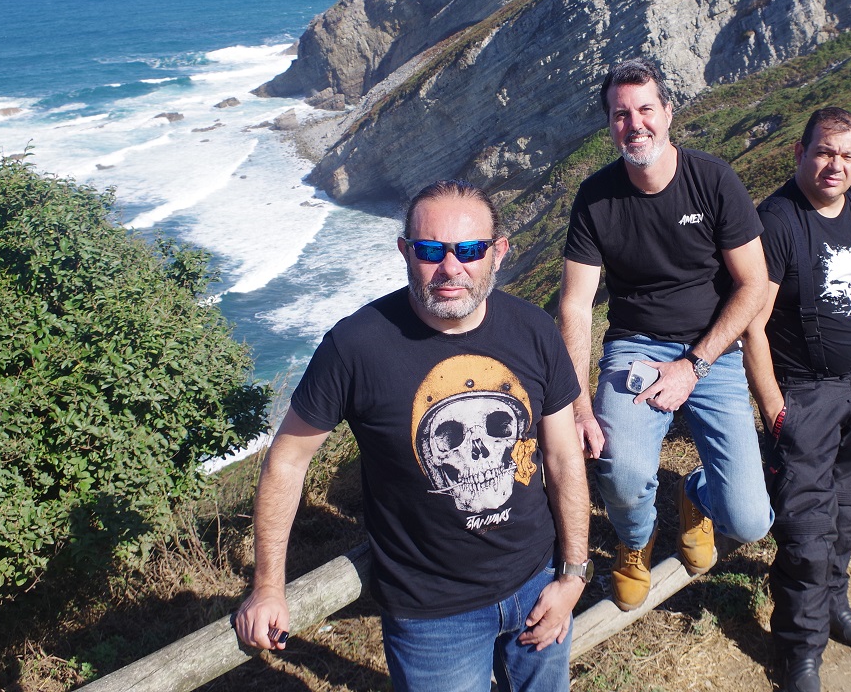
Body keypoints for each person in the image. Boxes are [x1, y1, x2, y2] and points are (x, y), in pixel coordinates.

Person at [234, 180, 591, 692]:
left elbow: (561, 457)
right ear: (405, 251)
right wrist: (268, 586)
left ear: (498, 252)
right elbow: (288, 458)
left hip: (539, 582)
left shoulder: (534, 330)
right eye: (430, 250)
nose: (450, 268)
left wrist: (572, 574)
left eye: (469, 250)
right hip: (431, 616)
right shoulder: (355, 347)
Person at [558, 57, 772, 612]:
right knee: (621, 472)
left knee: (749, 521)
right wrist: (579, 406)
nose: (635, 124)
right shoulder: (595, 198)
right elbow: (576, 305)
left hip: (714, 352)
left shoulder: (713, 179)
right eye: (621, 114)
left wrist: (694, 365)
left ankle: (695, 495)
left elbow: (752, 286)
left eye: (645, 109)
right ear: (610, 124)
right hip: (635, 347)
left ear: (668, 111)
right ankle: (634, 542)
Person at [745, 107, 851, 692]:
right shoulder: (779, 221)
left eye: (847, 155)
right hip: (805, 396)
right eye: (825, 152)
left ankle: (833, 608)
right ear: (800, 152)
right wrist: (776, 410)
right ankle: (798, 652)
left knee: (843, 515)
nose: (835, 165)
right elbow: (752, 325)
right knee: (807, 534)